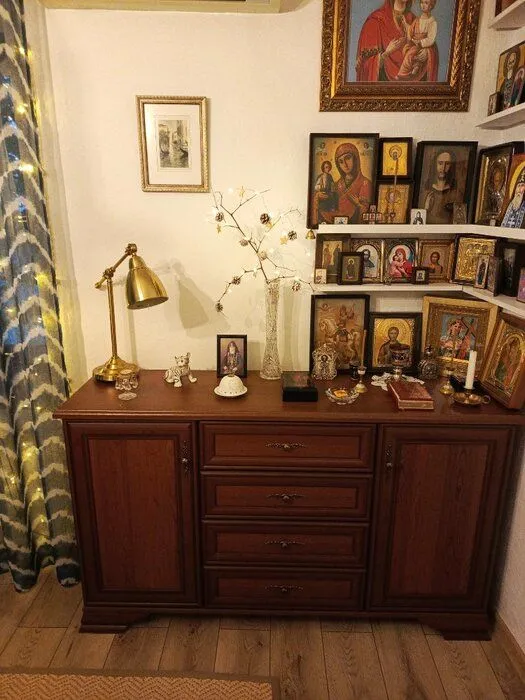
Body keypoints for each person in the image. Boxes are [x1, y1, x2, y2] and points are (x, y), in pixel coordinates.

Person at [356, 0, 420, 82]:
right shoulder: (375, 21)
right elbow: (365, 66)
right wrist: (387, 53)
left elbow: (425, 50)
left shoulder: (414, 20)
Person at [397, 0, 439, 81]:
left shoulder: (432, 22)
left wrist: (420, 43)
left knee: (412, 53)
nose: (423, 5)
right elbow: (411, 30)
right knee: (408, 50)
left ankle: (403, 73)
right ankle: (415, 66)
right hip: (414, 42)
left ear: (431, 6)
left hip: (422, 44)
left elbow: (431, 39)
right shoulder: (417, 19)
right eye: (421, 2)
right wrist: (405, 25)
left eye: (426, 3)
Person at [333, 143, 373, 223]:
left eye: (348, 158)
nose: (345, 164)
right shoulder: (336, 185)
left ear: (355, 159)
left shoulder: (365, 183)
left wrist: (358, 204)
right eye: (341, 161)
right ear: (338, 165)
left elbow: (366, 211)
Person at [422, 149, 458, 224]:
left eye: (447, 164)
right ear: (435, 165)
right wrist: (426, 210)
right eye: (440, 163)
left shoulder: (456, 193)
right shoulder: (425, 192)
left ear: (451, 166)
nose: (443, 168)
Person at [312, 160, 337, 225]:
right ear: (323, 168)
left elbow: (332, 186)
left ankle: (331, 212)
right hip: (321, 193)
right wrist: (320, 187)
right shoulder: (320, 176)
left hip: (328, 193)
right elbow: (316, 187)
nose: (327, 169)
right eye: (326, 167)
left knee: (334, 196)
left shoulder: (330, 176)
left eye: (328, 167)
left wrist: (333, 187)